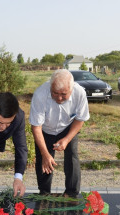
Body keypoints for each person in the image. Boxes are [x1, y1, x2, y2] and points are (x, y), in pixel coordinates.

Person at [29, 69, 90, 197]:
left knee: (72, 156)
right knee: (44, 160)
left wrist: (67, 139)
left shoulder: (80, 93)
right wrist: (45, 153)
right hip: (45, 130)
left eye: (63, 94)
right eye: (55, 93)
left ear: (71, 89)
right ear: (50, 87)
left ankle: (71, 193)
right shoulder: (40, 94)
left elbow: (80, 119)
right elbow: (36, 127)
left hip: (68, 127)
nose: (59, 98)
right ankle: (44, 193)